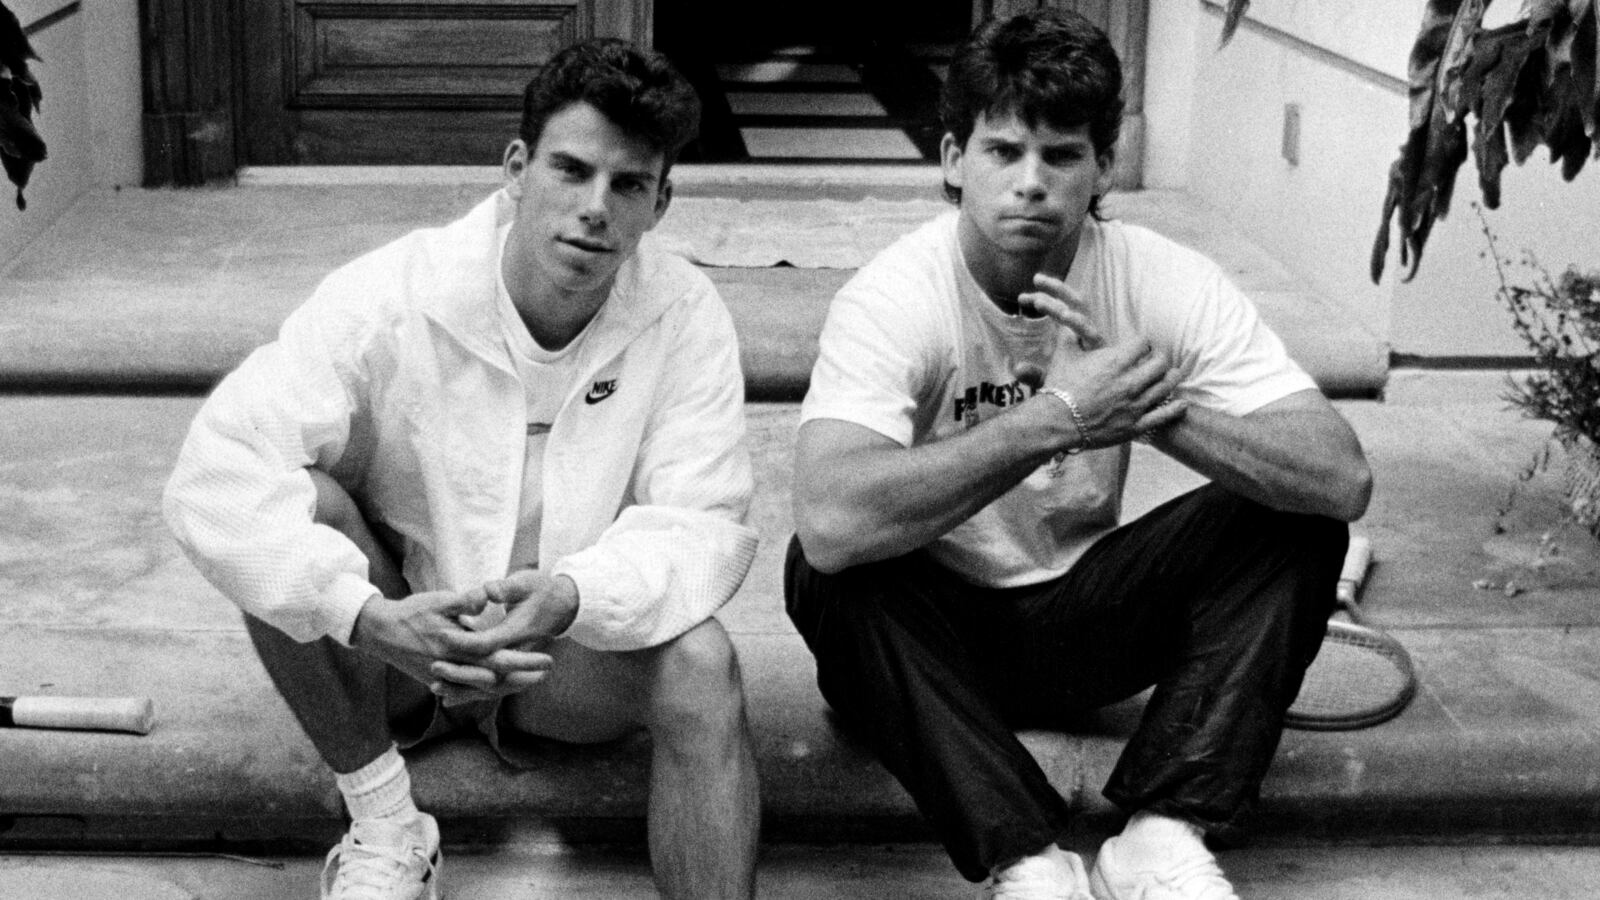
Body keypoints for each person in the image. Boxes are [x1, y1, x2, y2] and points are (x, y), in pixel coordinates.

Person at [785, 9, 1372, 900]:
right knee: (822, 569)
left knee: (1297, 524)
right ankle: (1030, 860)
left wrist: (1152, 412)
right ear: (952, 159)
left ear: (1102, 164)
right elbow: (830, 521)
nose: (1030, 184)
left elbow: (1341, 475)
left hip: (1091, 618)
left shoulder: (1159, 277)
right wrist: (1057, 416)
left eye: (1061, 156)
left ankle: (1162, 835)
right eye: (1003, 152)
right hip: (936, 636)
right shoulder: (895, 295)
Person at [164, 38, 760, 900]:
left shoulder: (685, 315)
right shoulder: (392, 292)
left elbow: (705, 522)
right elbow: (215, 475)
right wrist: (369, 616)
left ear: (660, 204)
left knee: (703, 659)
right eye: (571, 169)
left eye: (628, 184)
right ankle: (387, 827)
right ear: (517, 167)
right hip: (400, 651)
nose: (595, 209)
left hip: (556, 658)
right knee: (292, 512)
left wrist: (572, 595)